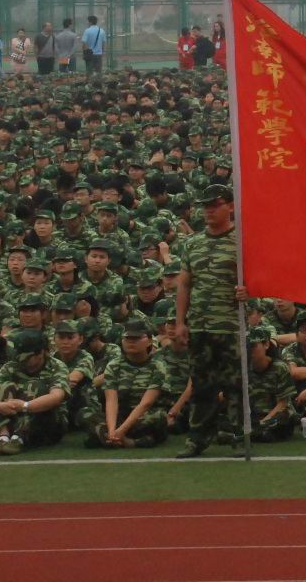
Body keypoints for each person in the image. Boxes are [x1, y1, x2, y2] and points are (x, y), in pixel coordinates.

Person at [171, 184, 243, 458]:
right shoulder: (193, 243)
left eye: (215, 205)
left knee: (235, 385)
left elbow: (257, 278)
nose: (209, 210)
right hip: (200, 325)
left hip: (230, 325)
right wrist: (180, 322)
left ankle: (239, 435)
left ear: (230, 206)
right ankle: (198, 438)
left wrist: (249, 292)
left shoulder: (242, 241)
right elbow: (184, 285)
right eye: (205, 206)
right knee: (201, 385)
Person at [0, 329, 70, 455]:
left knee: (36, 385)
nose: (22, 362)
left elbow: (57, 396)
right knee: (6, 386)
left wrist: (25, 406)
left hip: (49, 421)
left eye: (26, 358)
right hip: (16, 416)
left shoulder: (56, 366)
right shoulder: (11, 366)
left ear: (40, 353)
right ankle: (3, 438)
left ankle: (19, 438)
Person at [90, 318, 168, 448]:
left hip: (142, 416)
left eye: (136, 338)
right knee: (87, 413)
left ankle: (120, 440)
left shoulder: (158, 366)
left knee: (158, 416)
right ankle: (115, 438)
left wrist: (121, 430)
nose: (131, 342)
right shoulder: (114, 365)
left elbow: (146, 403)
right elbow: (111, 400)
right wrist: (112, 430)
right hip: (120, 415)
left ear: (149, 341)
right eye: (127, 338)